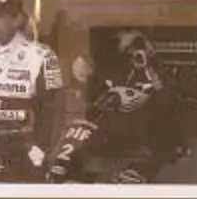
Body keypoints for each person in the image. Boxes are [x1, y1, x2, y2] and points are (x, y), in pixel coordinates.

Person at [46, 29, 170, 182]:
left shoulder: (150, 74)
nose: (132, 54)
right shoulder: (103, 76)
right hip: (95, 148)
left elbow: (161, 101)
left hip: (132, 150)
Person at [0, 0, 63, 181]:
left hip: (27, 150)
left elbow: (55, 110)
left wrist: (40, 149)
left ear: (18, 19)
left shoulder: (42, 56)